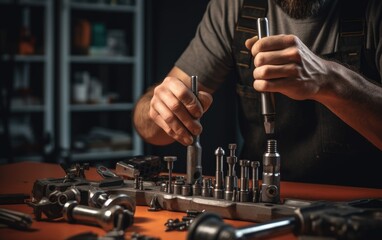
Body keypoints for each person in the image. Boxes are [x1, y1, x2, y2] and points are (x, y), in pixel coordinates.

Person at [133, 0, 382, 188]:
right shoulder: (234, 7)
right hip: (259, 195)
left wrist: (331, 81)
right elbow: (150, 131)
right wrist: (161, 107)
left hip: (362, 203)